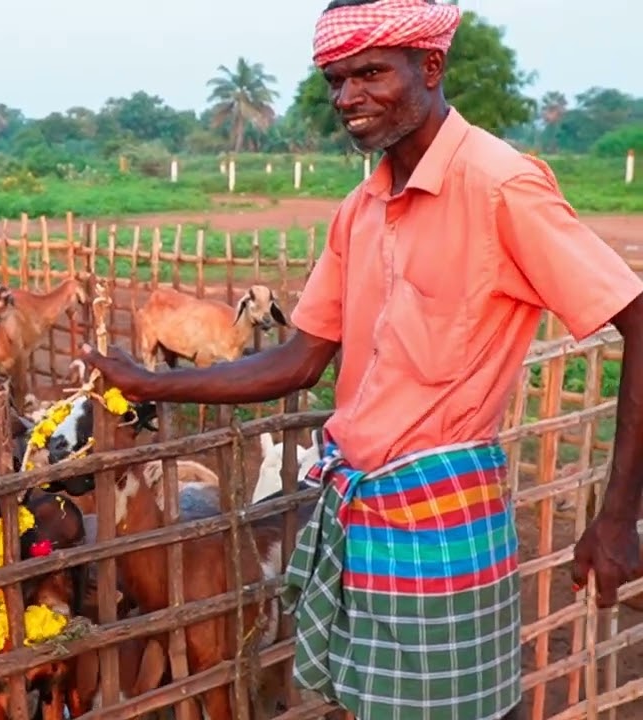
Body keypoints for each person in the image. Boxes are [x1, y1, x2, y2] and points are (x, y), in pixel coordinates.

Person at [78, 0, 643, 718]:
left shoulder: (501, 186)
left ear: (431, 66)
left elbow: (638, 318)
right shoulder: (362, 207)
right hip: (358, 514)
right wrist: (153, 381)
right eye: (335, 81)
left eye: (371, 73)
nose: (349, 97)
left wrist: (618, 514)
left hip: (444, 522)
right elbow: (299, 361)